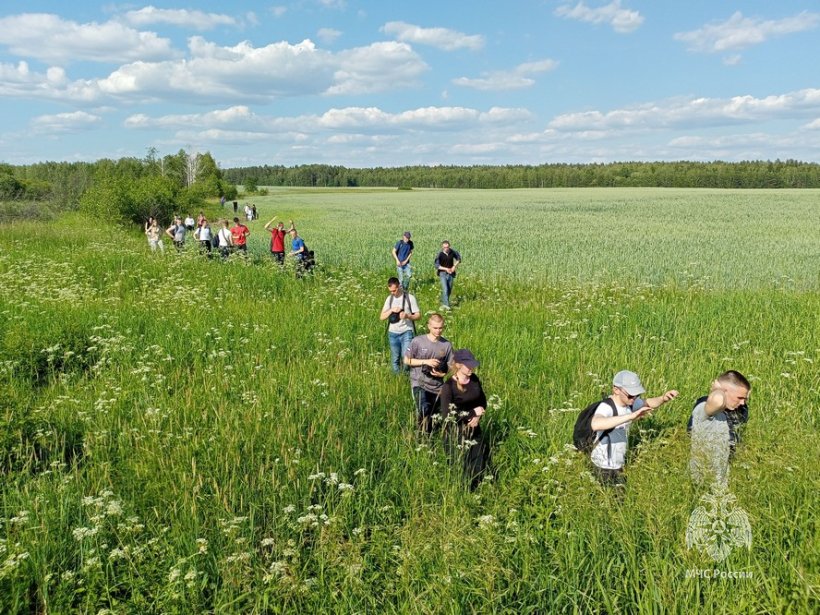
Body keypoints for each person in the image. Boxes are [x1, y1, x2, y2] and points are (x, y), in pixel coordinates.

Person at [589, 370, 678, 487]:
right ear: (616, 390)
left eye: (637, 395)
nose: (634, 398)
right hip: (603, 466)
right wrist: (631, 416)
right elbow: (596, 424)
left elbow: (648, 403)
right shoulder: (606, 407)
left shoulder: (629, 403)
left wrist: (663, 398)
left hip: (618, 464)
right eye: (631, 394)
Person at [689, 370, 751, 488]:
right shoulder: (704, 407)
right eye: (740, 397)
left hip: (722, 477)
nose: (743, 402)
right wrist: (717, 390)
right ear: (724, 391)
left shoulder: (737, 411)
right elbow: (717, 402)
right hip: (702, 479)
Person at [440, 349, 490, 489]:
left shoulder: (474, 380)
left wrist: (478, 416)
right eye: (468, 366)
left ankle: (479, 493)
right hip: (456, 433)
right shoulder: (448, 387)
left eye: (473, 365)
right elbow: (447, 416)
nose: (472, 368)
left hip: (474, 429)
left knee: (478, 465)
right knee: (461, 467)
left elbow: (482, 402)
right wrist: (471, 413)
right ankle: (461, 494)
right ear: (458, 365)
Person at [404, 313, 453, 433]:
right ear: (429, 326)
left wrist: (443, 374)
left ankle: (431, 436)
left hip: (437, 386)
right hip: (419, 383)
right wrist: (426, 362)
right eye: (435, 328)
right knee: (423, 409)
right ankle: (421, 437)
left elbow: (451, 365)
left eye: (441, 328)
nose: (438, 331)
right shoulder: (418, 341)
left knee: (435, 414)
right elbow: (406, 360)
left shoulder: (446, 345)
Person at [379, 277, 421, 374]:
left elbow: (418, 316)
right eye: (390, 291)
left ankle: (406, 375)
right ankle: (397, 378)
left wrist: (407, 316)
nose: (392, 293)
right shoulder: (389, 299)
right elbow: (381, 317)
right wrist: (391, 310)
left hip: (407, 331)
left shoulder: (410, 298)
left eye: (394, 290)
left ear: (399, 286)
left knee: (406, 357)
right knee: (395, 358)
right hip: (393, 333)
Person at [434, 241, 461, 309]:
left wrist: (454, 266)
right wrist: (446, 269)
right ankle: (446, 306)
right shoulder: (439, 254)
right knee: (445, 289)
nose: (446, 249)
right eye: (445, 247)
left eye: (447, 247)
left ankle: (444, 301)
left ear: (449, 246)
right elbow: (437, 265)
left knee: (449, 289)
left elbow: (459, 259)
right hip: (442, 273)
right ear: (442, 247)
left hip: (451, 273)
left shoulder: (452, 252)